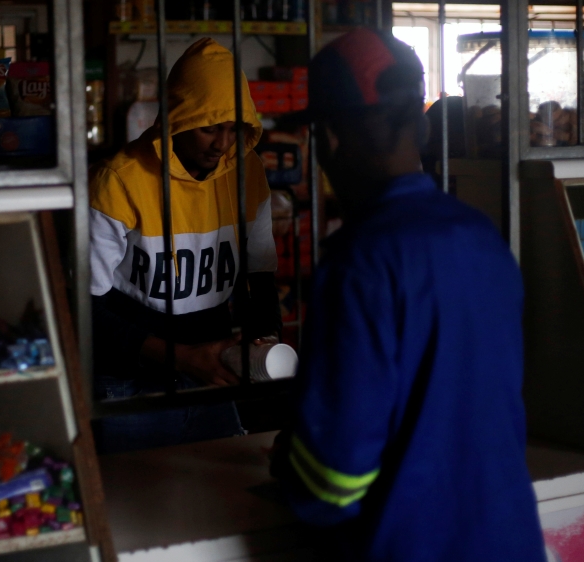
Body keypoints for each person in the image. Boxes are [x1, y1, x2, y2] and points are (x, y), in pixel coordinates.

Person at [271, 29, 546, 561]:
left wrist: (291, 464)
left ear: (328, 138)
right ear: (419, 125)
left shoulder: (361, 260)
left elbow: (334, 479)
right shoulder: (481, 237)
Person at [89, 38, 280, 454]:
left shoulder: (246, 175)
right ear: (177, 120)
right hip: (130, 380)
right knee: (130, 506)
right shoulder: (119, 181)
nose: (222, 143)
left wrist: (265, 342)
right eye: (210, 127)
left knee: (215, 499)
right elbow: (83, 306)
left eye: (233, 129)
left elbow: (259, 275)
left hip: (211, 372)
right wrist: (180, 356)